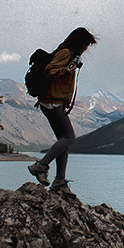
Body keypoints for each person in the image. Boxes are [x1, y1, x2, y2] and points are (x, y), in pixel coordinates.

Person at [28, 27, 97, 196]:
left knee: (63, 139)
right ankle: (41, 166)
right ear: (79, 42)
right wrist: (66, 70)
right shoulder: (65, 53)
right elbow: (50, 70)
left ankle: (59, 181)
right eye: (85, 44)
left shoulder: (69, 54)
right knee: (69, 137)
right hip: (52, 101)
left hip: (54, 101)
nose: (86, 48)